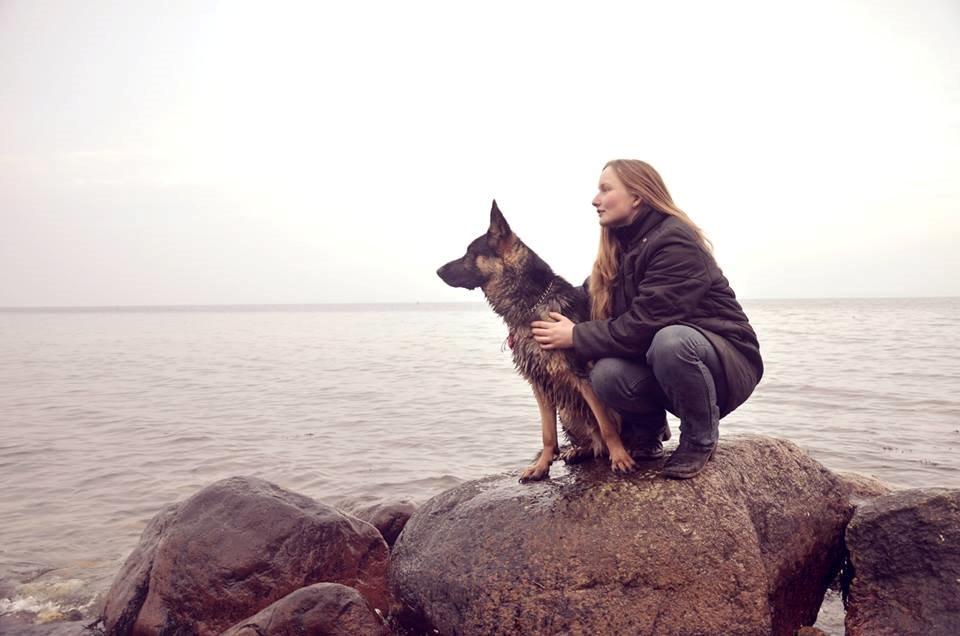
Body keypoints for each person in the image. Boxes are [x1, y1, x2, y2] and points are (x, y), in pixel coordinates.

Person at [530, 159, 763, 479]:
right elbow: (581, 300)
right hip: (669, 363)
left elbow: (646, 325)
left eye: (605, 189)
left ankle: (699, 438)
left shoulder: (674, 241)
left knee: (670, 341)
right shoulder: (619, 250)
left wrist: (576, 336)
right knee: (606, 375)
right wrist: (528, 322)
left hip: (724, 362)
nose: (595, 199)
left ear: (637, 196)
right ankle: (648, 432)